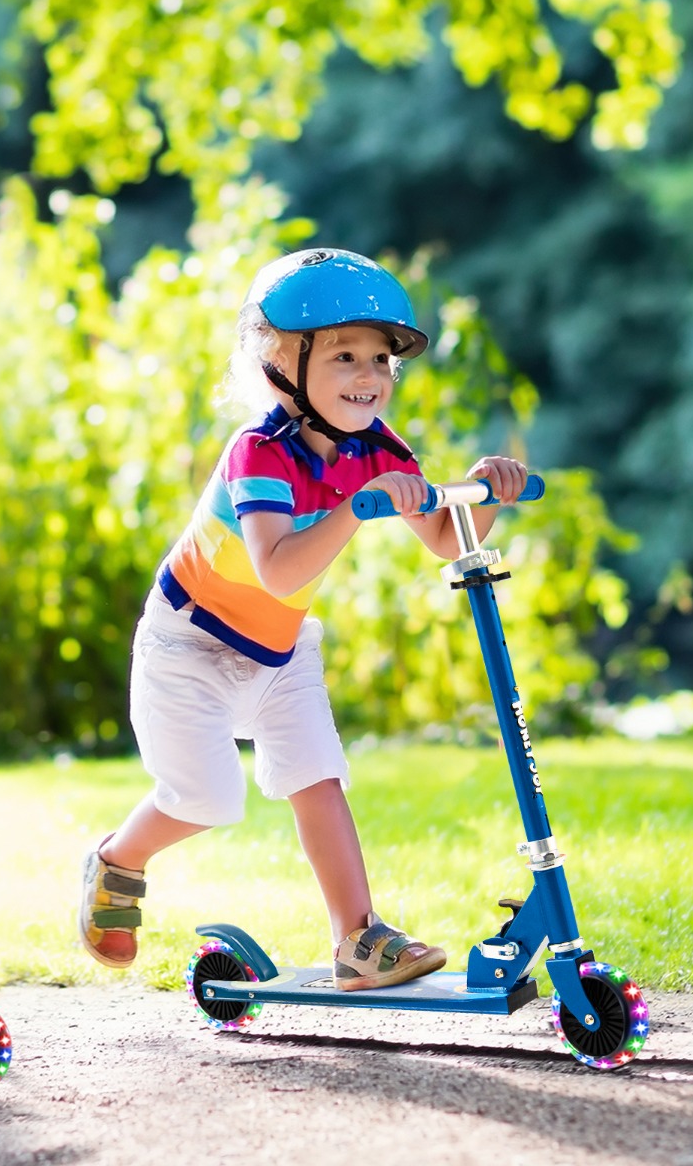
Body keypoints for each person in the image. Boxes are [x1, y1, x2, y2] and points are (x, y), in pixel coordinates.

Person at [79, 248, 528, 990]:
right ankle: (117, 860)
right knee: (207, 799)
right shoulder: (258, 453)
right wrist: (356, 507)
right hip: (189, 643)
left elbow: (447, 541)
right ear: (282, 365)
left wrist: (485, 492)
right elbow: (280, 567)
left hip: (280, 648)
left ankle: (357, 938)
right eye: (344, 355)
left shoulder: (378, 450)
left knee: (318, 776)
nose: (368, 375)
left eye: (381, 360)